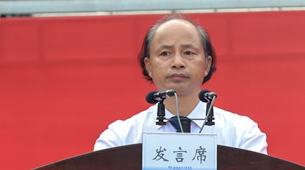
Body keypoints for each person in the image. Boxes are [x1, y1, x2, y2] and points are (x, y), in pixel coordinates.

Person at [94, 14, 267, 153]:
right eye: (165, 53)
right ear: (149, 66)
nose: (177, 62)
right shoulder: (120, 139)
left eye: (188, 52)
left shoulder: (241, 134)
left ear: (207, 64)